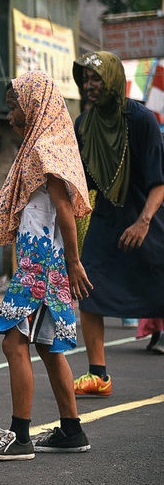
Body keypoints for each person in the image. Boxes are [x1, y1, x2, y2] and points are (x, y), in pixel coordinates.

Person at [0, 71, 93, 461]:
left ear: (34, 105)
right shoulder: (48, 144)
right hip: (43, 264)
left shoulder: (44, 149)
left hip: (40, 269)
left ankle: (19, 437)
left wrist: (73, 262)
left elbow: (64, 210)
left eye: (14, 107)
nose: (10, 116)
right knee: (48, 347)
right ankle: (72, 431)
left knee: (13, 343)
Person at [71, 51, 164, 397]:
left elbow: (159, 182)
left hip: (147, 214)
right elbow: (82, 183)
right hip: (107, 217)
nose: (89, 85)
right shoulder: (83, 125)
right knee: (88, 288)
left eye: (95, 78)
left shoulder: (141, 119)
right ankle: (98, 376)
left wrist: (143, 222)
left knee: (159, 287)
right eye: (85, 79)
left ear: (112, 79)